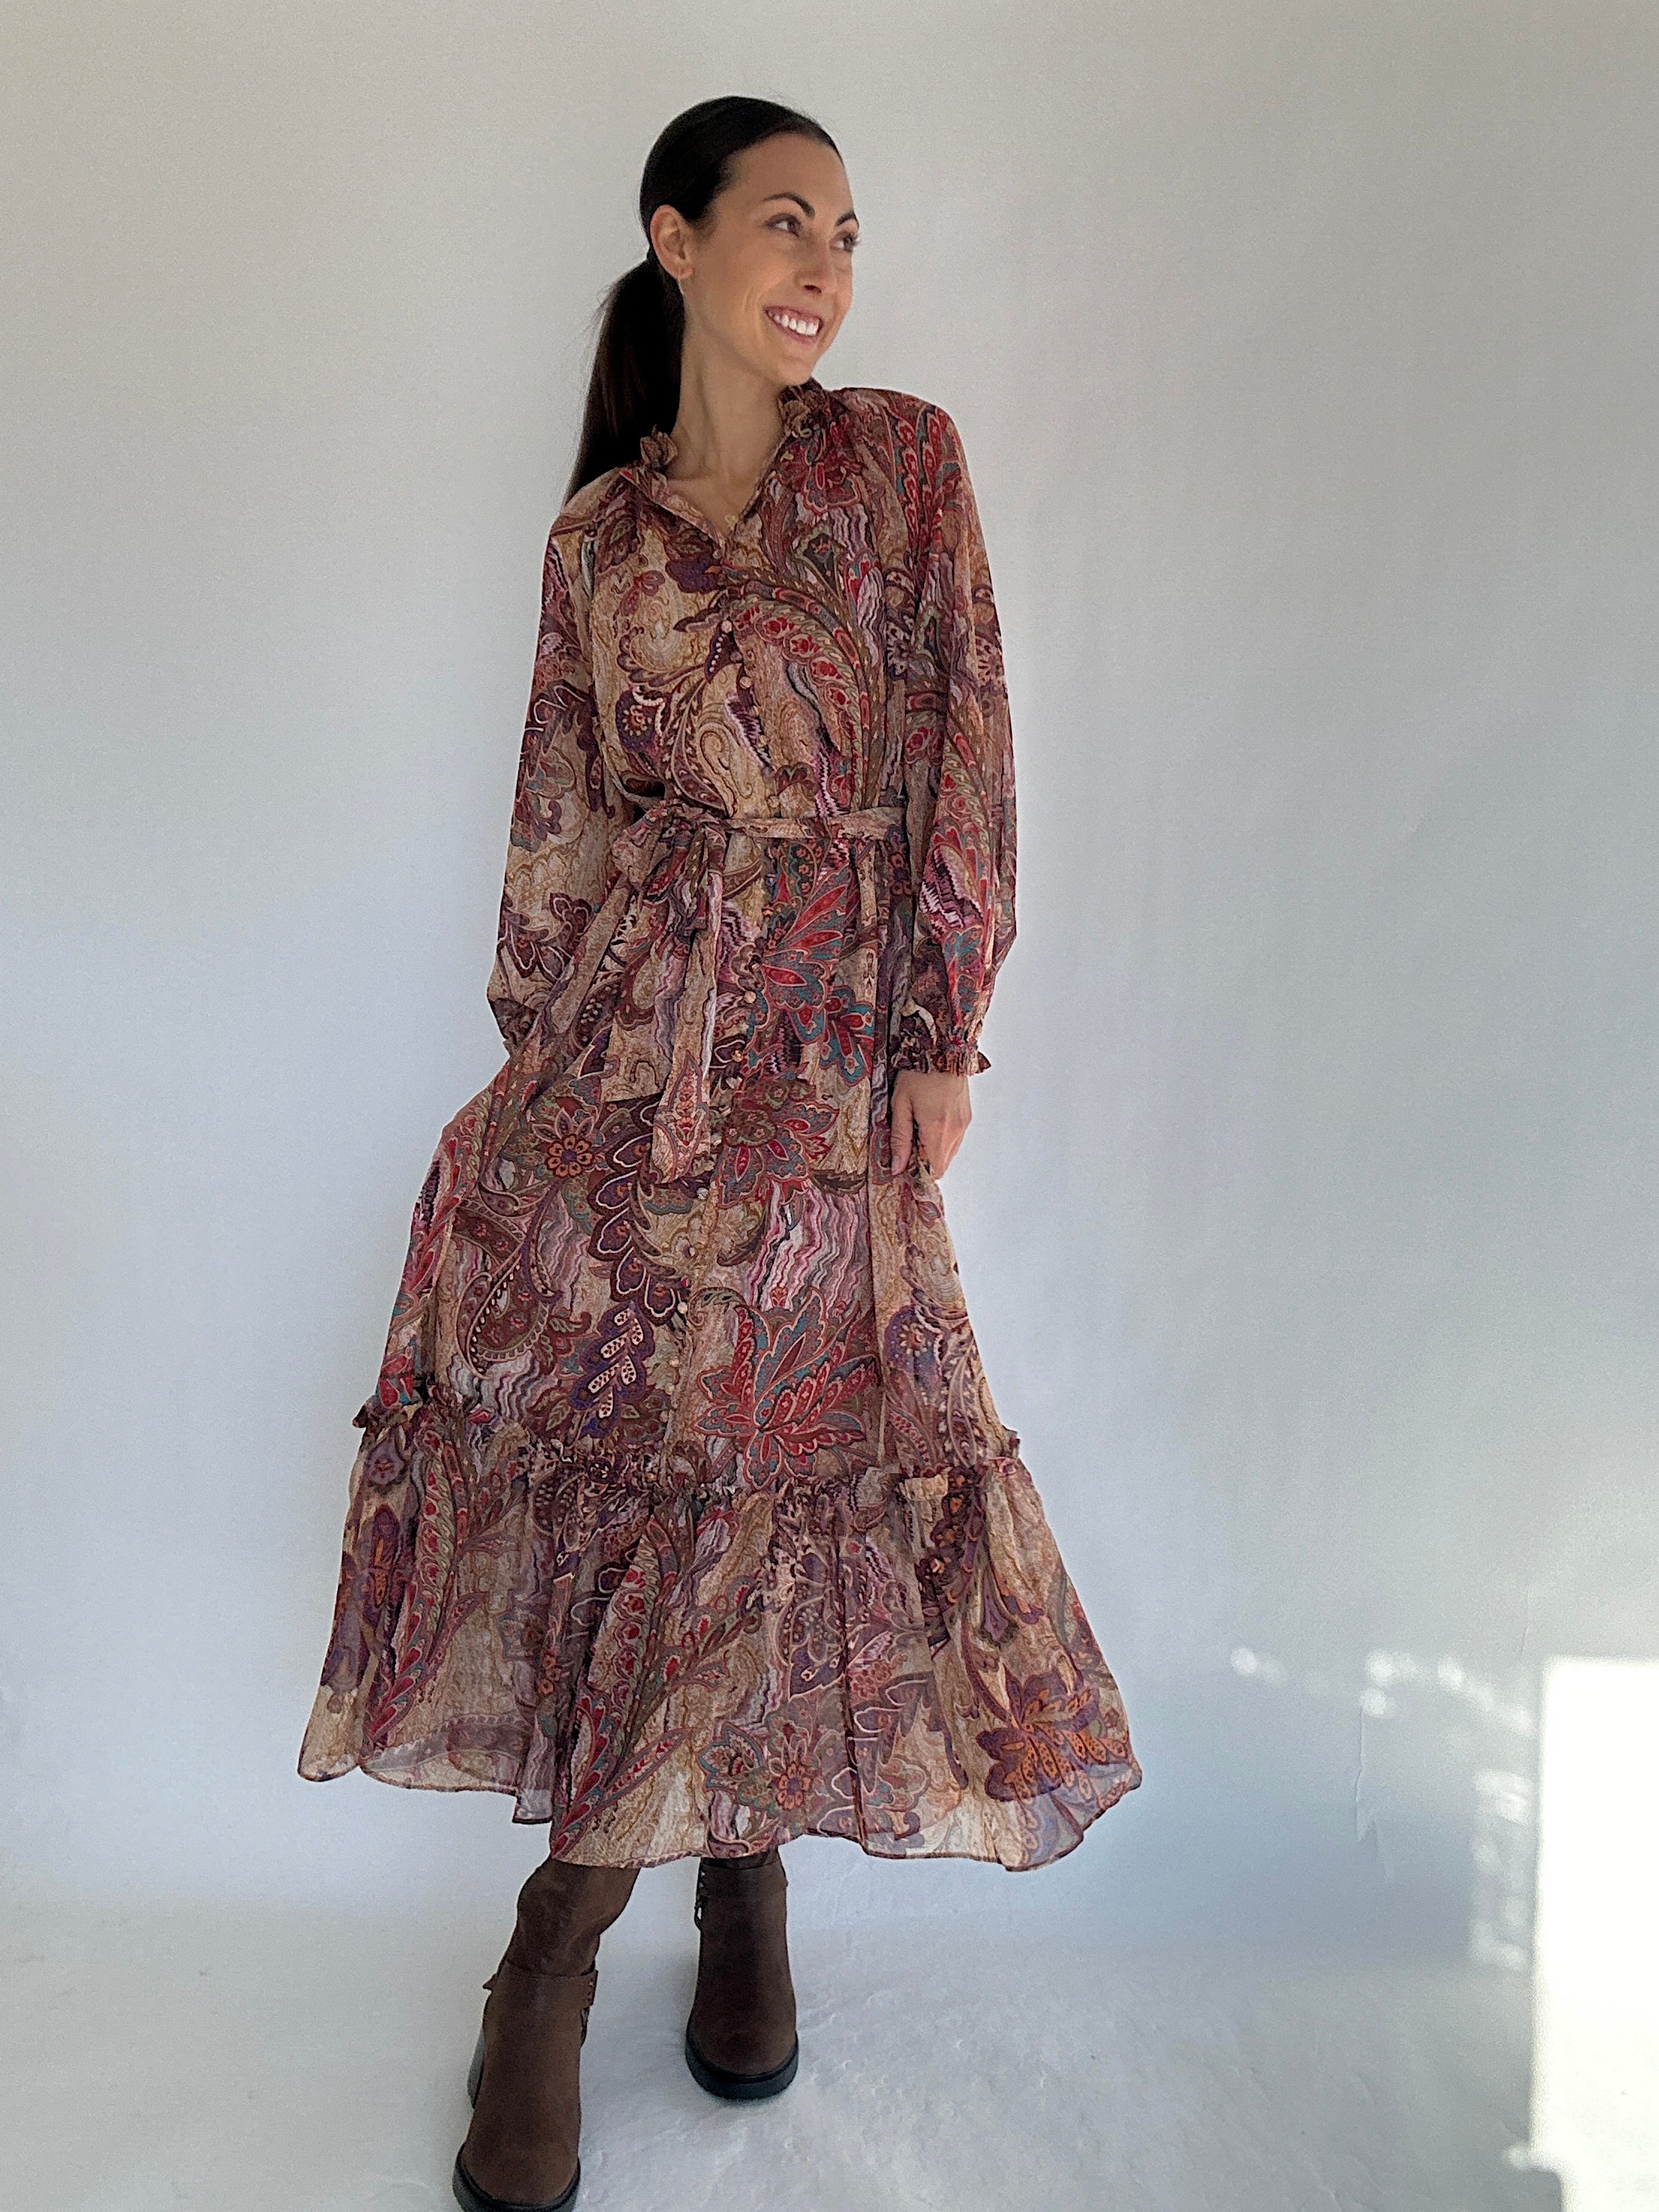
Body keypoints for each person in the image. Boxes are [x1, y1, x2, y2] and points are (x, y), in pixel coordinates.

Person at [297, 93, 1142, 2212]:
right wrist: (534, 1085)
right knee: (672, 1478)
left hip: (836, 1069)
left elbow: (968, 743)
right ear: (675, 239)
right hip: (628, 1075)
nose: (826, 269)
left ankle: (635, 1915)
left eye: (846, 234)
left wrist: (940, 1026)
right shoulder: (600, 542)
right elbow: (558, 828)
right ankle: (596, 1942)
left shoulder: (904, 465)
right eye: (785, 223)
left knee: (790, 1464)